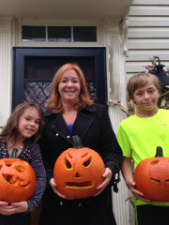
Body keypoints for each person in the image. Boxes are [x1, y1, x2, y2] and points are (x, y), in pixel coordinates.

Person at [39, 63, 123, 225]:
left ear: (81, 86)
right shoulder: (46, 118)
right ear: (57, 86)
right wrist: (50, 178)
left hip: (94, 201)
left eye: (74, 81)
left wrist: (110, 169)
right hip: (57, 203)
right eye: (64, 81)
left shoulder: (98, 113)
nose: (69, 85)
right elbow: (41, 157)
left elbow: (112, 150)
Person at [117, 73, 169, 225]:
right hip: (147, 200)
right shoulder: (127, 126)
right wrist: (130, 183)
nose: (147, 97)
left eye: (151, 91)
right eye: (140, 93)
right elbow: (125, 160)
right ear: (132, 98)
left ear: (159, 92)